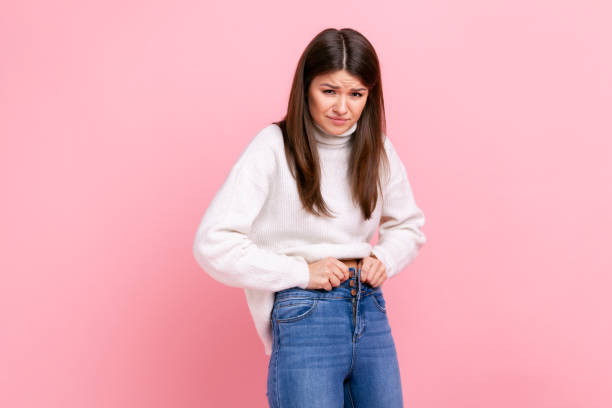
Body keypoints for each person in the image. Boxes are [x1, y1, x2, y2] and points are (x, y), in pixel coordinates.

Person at [192, 27, 426, 408]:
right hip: (306, 310)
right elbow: (212, 243)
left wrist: (385, 258)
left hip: (369, 305)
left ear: (370, 95)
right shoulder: (273, 146)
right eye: (329, 91)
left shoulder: (378, 149)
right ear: (305, 88)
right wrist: (301, 273)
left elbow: (408, 225)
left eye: (356, 94)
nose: (342, 107)